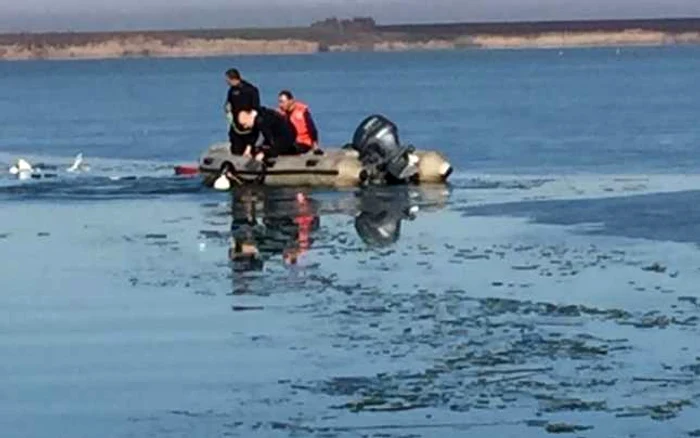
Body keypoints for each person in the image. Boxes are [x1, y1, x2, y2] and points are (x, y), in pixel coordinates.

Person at [224, 68, 261, 154]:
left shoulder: (251, 90)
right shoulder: (231, 90)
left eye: (227, 80)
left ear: (232, 79)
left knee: (249, 150)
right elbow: (228, 103)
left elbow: (256, 108)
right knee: (236, 150)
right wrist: (228, 110)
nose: (226, 82)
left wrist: (251, 119)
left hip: (248, 127)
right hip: (235, 127)